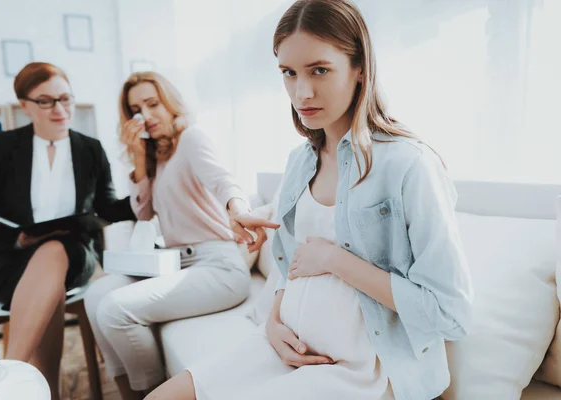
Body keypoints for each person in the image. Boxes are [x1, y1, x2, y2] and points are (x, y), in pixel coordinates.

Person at [146, 1, 473, 399]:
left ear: (359, 69)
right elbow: (289, 265)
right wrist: (273, 322)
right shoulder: (300, 161)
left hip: (361, 370)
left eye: (319, 70)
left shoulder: (408, 165)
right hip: (288, 345)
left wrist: (336, 260)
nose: (302, 92)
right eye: (289, 73)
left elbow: (449, 312)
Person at [84, 71, 279, 400]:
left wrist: (236, 209)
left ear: (170, 104)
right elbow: (144, 214)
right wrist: (138, 160)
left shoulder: (191, 137)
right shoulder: (158, 155)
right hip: (180, 263)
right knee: (95, 297)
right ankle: (124, 391)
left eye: (152, 104)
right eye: (136, 110)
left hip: (220, 266)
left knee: (115, 310)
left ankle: (149, 393)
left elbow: (223, 181)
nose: (145, 116)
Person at [0, 62, 135, 400]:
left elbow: (107, 208)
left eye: (65, 98)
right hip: (8, 259)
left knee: (54, 250)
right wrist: (17, 238)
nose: (59, 109)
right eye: (46, 101)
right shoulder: (0, 148)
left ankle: (8, 377)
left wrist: (144, 178)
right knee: (50, 287)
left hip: (72, 254)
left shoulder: (90, 149)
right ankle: (47, 392)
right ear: (24, 105)